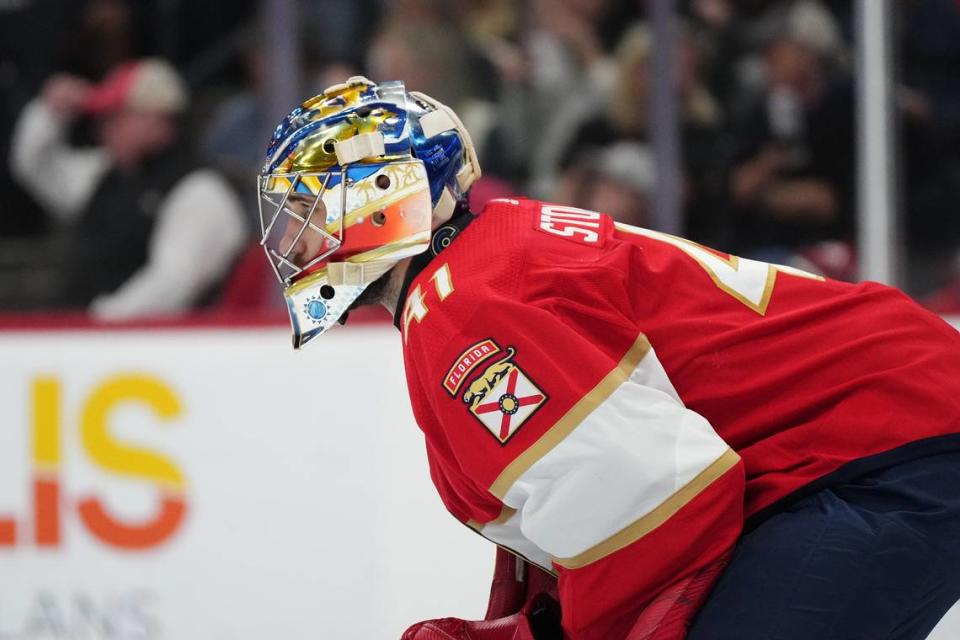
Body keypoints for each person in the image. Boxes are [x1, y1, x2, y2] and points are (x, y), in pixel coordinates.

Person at [257, 77, 960, 640]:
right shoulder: (483, 264)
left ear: (385, 195)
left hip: (883, 451)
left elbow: (653, 494)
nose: (294, 239)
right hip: (889, 435)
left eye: (308, 210)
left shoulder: (463, 307)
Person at [10, 58, 247, 319]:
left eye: (115, 116)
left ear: (156, 119)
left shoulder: (201, 190)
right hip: (84, 343)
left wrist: (97, 323)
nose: (103, 128)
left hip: (156, 350)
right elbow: (33, 164)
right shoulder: (105, 175)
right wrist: (49, 112)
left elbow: (172, 284)